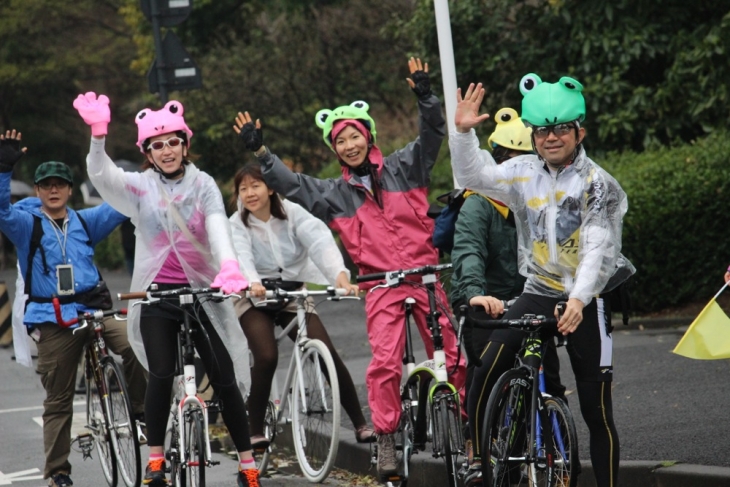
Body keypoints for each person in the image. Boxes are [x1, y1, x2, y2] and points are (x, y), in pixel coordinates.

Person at [233, 57, 466, 478]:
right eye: (341, 142)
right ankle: (386, 441)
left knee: (453, 356)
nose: (350, 145)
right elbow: (291, 185)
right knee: (383, 365)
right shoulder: (334, 194)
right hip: (381, 287)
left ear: (368, 136)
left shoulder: (405, 166)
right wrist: (262, 153)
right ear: (335, 149)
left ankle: (466, 436)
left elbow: (432, 135)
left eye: (355, 136)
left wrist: (427, 98)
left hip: (426, 278)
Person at [449, 76, 635, 487]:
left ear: (579, 132)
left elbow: (598, 248)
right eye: (543, 130)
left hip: (590, 296)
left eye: (561, 128)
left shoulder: (597, 184)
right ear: (534, 134)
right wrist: (463, 133)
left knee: (596, 410)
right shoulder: (522, 172)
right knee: (486, 368)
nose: (551, 137)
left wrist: (579, 300)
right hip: (539, 289)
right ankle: (480, 460)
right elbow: (473, 176)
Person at [72, 93, 260, 487]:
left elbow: (217, 227)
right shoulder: (140, 188)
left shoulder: (203, 184)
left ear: (185, 144)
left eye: (174, 141)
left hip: (204, 292)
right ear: (148, 153)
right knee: (159, 373)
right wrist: (98, 135)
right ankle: (155, 461)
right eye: (157, 145)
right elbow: (103, 176)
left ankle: (248, 466)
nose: (167, 150)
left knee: (224, 378)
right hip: (156, 296)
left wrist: (228, 265)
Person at [0, 130, 147, 487]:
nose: (54, 190)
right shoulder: (26, 225)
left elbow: (123, 204)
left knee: (136, 346)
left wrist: (148, 170)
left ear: (69, 190)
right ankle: (58, 473)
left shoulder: (83, 221)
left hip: (92, 309)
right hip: (52, 319)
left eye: (60, 185)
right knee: (59, 399)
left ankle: (140, 412)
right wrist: (3, 170)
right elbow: (2, 212)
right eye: (46, 185)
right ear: (37, 190)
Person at [450, 108, 566, 486]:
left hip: (533, 299)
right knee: (485, 374)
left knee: (553, 380)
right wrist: (475, 294)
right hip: (488, 305)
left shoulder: (538, 200)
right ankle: (478, 453)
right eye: (510, 161)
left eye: (526, 162)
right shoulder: (478, 204)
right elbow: (468, 252)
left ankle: (558, 451)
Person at [229, 163, 375, 446]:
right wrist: (251, 282)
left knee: (327, 354)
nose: (249, 193)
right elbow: (240, 255)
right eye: (243, 188)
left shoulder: (293, 213)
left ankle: (360, 424)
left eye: (255, 185)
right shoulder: (236, 223)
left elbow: (320, 242)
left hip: (293, 294)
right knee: (267, 356)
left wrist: (340, 278)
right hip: (253, 297)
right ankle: (255, 429)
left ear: (271, 188)